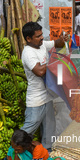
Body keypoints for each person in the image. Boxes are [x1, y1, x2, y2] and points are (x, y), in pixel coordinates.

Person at [20, 22, 68, 151]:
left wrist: (62, 39)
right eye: (38, 36)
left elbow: (57, 43)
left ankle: (47, 153)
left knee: (49, 129)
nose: (42, 38)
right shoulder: (28, 53)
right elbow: (39, 71)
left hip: (47, 96)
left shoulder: (41, 45)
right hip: (36, 99)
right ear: (28, 39)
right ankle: (12, 156)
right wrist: (56, 62)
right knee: (29, 128)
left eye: (42, 35)